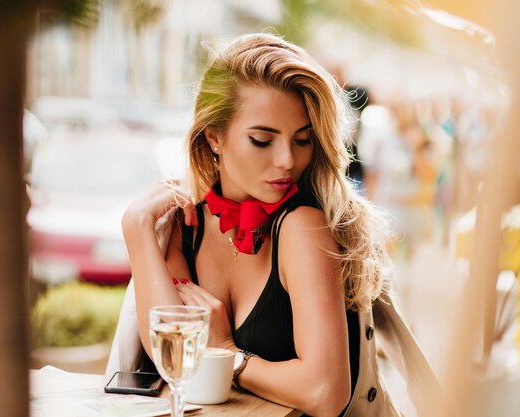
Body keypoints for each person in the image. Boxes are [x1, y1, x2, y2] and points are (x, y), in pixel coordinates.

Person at [121, 34, 391, 417]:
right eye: (262, 140)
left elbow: (324, 393)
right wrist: (137, 228)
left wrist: (230, 354)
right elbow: (177, 362)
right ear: (215, 137)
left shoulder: (302, 226)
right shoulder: (188, 223)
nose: (286, 160)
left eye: (302, 140)